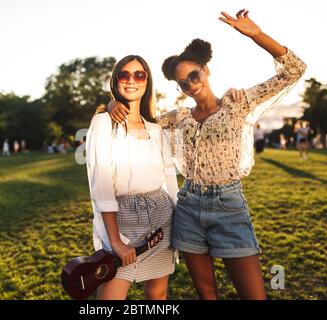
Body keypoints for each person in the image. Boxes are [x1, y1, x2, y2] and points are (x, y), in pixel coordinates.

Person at [108, 9, 306, 299]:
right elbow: (138, 122)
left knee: (254, 295)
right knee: (206, 294)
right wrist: (112, 103)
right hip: (188, 208)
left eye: (194, 75)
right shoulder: (178, 118)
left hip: (229, 206)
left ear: (206, 70)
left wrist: (257, 35)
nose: (190, 85)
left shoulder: (236, 104)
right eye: (182, 83)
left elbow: (294, 70)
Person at [86, 55, 180, 300]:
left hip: (162, 218)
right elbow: (102, 184)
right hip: (123, 219)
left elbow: (169, 180)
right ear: (116, 80)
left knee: (157, 296)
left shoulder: (156, 130)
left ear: (147, 81)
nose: (131, 80)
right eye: (124, 74)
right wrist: (115, 241)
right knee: (110, 298)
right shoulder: (103, 123)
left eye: (139, 75)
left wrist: (180, 224)